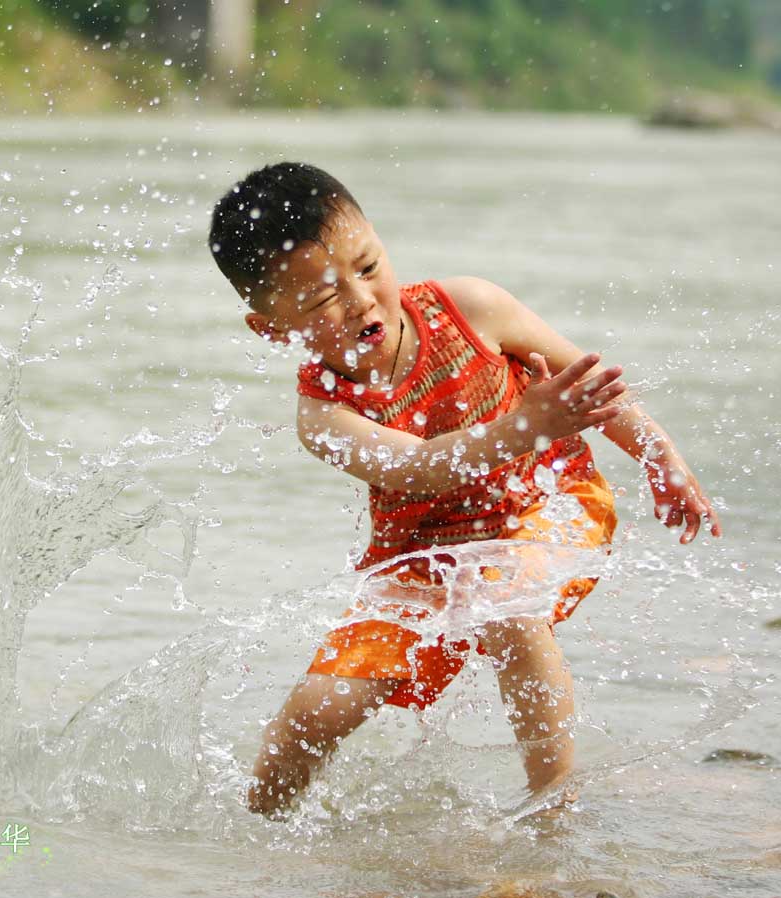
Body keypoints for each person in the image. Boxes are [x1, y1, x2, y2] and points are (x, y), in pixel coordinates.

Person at [207, 161, 721, 818]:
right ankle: (254, 842)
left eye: (367, 267)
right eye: (321, 299)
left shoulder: (470, 306)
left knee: (508, 601)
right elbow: (423, 467)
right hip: (420, 558)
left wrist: (660, 456)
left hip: (549, 500)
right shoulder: (324, 419)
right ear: (274, 329)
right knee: (314, 713)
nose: (361, 300)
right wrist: (523, 424)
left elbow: (583, 385)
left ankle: (551, 818)